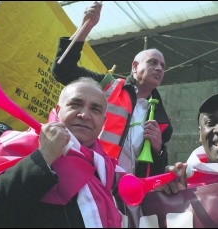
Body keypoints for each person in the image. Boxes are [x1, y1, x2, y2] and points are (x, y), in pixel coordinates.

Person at [0, 77, 122, 228]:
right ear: (58, 110)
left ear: (103, 122)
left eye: (95, 109)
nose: (84, 115)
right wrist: (42, 156)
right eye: (75, 104)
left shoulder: (105, 167)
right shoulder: (16, 144)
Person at [51, 1, 172, 178]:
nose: (159, 68)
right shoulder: (107, 86)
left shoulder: (162, 121)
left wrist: (158, 149)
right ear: (135, 67)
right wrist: (86, 26)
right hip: (87, 176)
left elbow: (157, 169)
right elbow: (63, 70)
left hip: (126, 195)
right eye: (153, 62)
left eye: (163, 65)